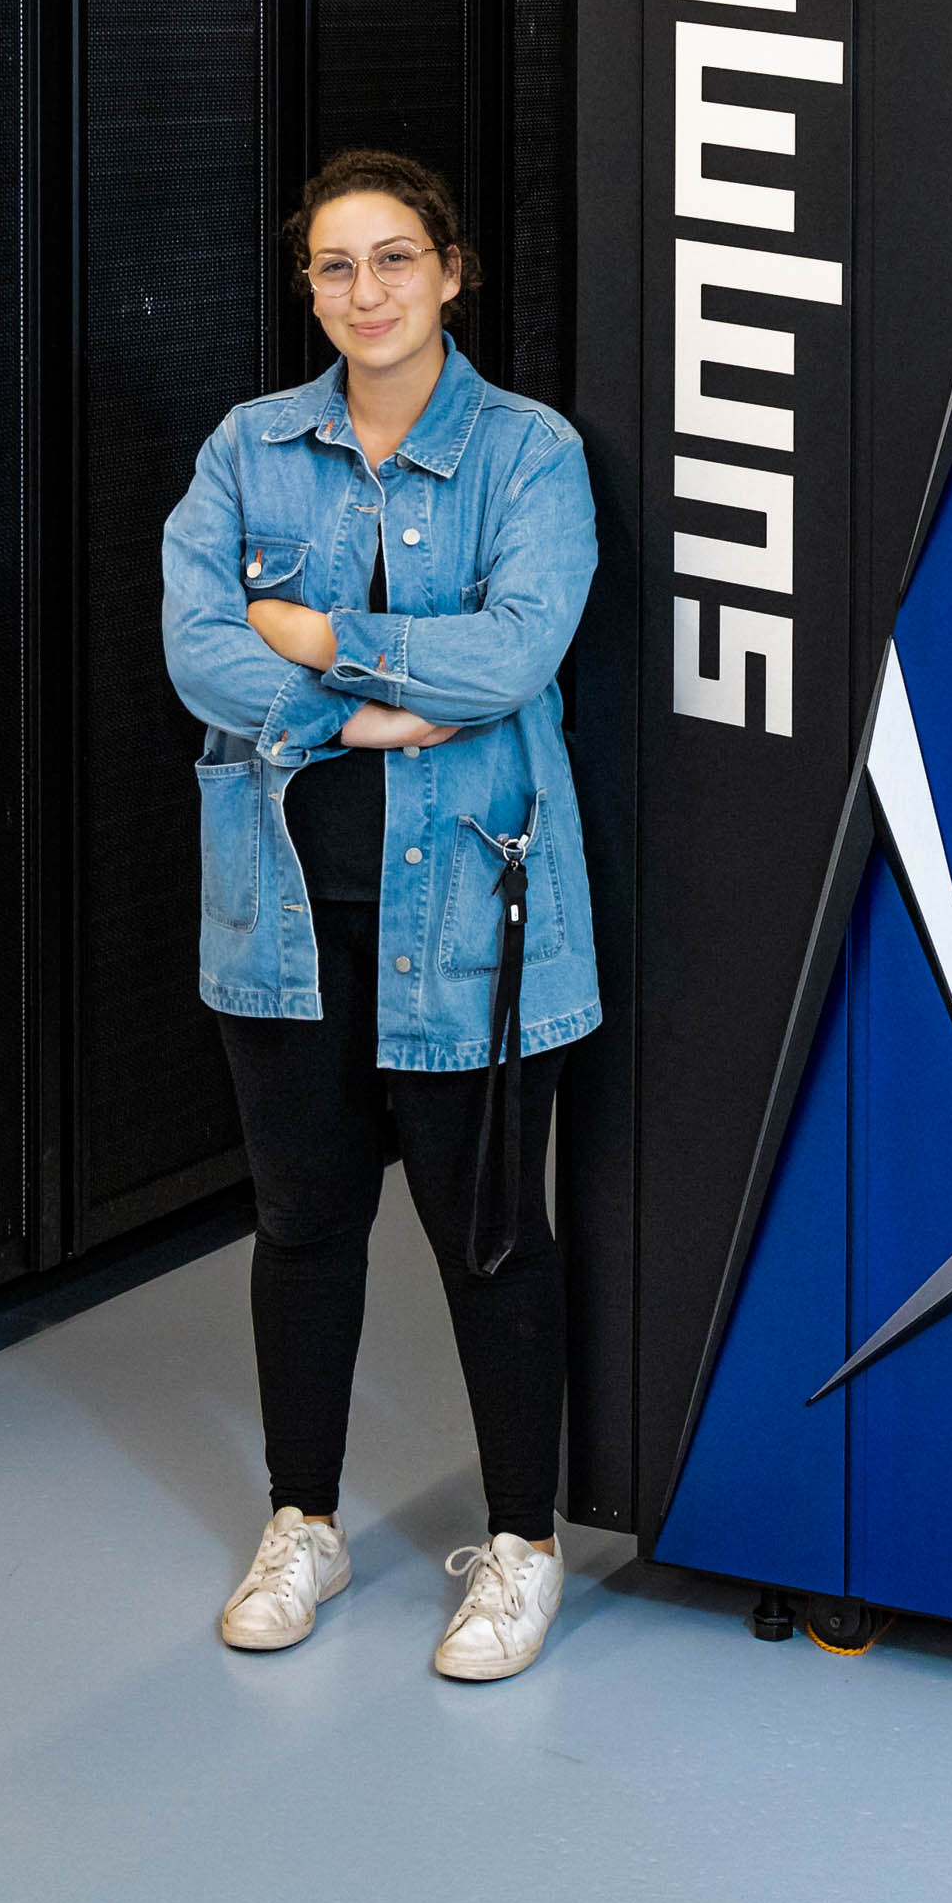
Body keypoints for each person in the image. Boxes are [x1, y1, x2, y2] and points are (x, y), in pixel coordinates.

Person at [159, 148, 598, 1682]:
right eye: (337, 267)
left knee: (490, 1244)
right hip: (279, 922)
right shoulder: (248, 450)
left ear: (453, 271)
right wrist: (366, 714)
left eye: (396, 259)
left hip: (475, 924)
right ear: (310, 287)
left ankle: (523, 1546)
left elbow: (521, 651)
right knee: (303, 1231)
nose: (367, 293)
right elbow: (199, 648)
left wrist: (327, 637)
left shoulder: (528, 455)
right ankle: (305, 1523)